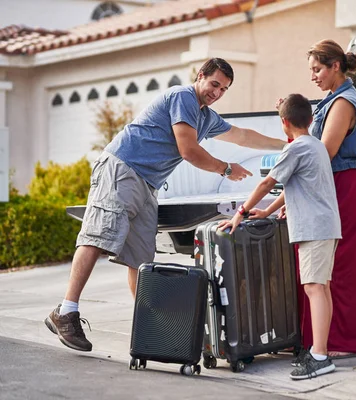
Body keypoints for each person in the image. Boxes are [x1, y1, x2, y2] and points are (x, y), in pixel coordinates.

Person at [44, 58, 287, 352]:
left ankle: (148, 329)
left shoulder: (206, 117)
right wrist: (226, 169)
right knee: (99, 236)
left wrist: (287, 145)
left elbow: (244, 136)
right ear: (200, 76)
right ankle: (66, 312)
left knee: (141, 259)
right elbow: (188, 150)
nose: (217, 92)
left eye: (223, 89)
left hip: (148, 184)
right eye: (214, 84)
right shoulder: (182, 97)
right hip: (123, 168)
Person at [218, 94, 341, 380]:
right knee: (321, 287)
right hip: (325, 225)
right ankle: (321, 351)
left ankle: (321, 357)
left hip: (314, 227)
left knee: (314, 288)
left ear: (284, 123)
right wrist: (268, 211)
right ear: (310, 120)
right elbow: (293, 185)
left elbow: (268, 182)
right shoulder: (315, 146)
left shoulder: (295, 148)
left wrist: (242, 212)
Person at [270, 40, 356, 358]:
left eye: (317, 70)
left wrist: (292, 198)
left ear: (335, 67)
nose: (313, 77)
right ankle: (317, 339)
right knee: (322, 270)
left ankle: (343, 343)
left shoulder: (343, 103)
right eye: (311, 71)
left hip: (345, 187)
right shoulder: (330, 99)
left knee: (342, 269)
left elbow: (324, 154)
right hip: (329, 187)